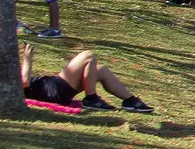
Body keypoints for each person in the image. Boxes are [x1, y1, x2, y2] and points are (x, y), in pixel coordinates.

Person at [16, 42, 155, 113]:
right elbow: (24, 82)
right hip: (54, 89)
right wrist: (28, 59)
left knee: (101, 70)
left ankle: (130, 101)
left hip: (55, 88)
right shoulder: (6, 80)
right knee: (88, 56)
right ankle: (91, 99)